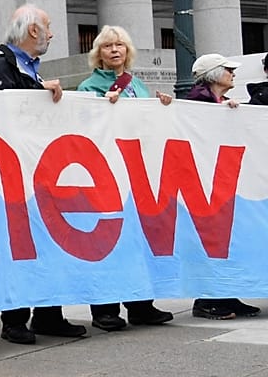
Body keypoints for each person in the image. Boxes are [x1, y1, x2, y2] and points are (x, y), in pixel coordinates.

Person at [0, 5, 85, 344]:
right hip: (14, 176)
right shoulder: (1, 64)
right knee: (20, 247)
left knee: (45, 243)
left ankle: (49, 313)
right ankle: (14, 321)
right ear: (33, 31)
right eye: (49, 27)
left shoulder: (25, 67)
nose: (52, 35)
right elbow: (5, 115)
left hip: (35, 174)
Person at [75, 25, 176, 332]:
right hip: (106, 174)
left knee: (138, 240)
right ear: (99, 54)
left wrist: (163, 108)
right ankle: (104, 309)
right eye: (108, 46)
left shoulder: (138, 86)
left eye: (120, 45)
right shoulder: (88, 87)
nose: (115, 50)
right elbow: (82, 127)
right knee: (107, 241)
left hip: (137, 173)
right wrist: (103, 108)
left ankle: (140, 305)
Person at [178, 53, 260, 320]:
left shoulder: (220, 102)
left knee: (227, 240)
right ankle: (207, 300)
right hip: (205, 183)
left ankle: (226, 294)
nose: (232, 74)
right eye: (227, 70)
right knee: (212, 240)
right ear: (213, 74)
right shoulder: (197, 102)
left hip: (223, 181)